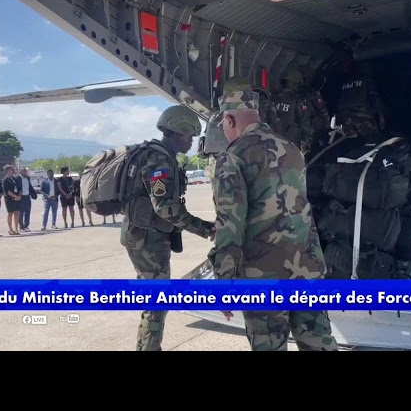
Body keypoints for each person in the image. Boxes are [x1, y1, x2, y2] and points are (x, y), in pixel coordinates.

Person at [208, 85, 339, 352]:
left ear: (230, 120)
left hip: (263, 278)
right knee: (319, 342)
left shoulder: (232, 157)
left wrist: (223, 282)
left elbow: (229, 226)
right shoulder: (292, 149)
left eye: (224, 124)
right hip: (308, 269)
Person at [121, 105, 216, 351]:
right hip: (148, 239)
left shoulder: (157, 154)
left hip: (143, 235)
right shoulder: (159, 159)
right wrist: (205, 228)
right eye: (190, 136)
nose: (191, 142)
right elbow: (164, 208)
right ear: (178, 131)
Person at [2, 164, 22, 235]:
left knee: (17, 213)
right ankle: (10, 229)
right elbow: (7, 191)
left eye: (12, 170)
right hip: (9, 199)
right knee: (10, 213)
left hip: (16, 198)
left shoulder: (14, 179)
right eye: (11, 170)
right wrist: (15, 196)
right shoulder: (5, 180)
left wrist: (19, 195)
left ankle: (16, 228)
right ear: (7, 171)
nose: (12, 171)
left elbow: (19, 188)